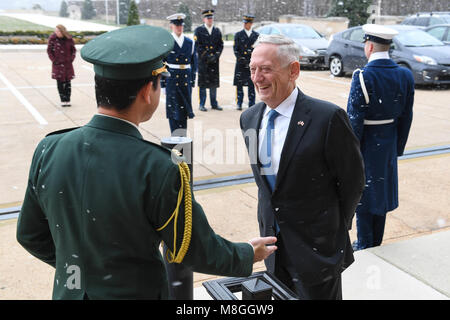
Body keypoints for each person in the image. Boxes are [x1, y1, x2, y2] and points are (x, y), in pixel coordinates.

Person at [16, 25, 277, 300]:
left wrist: (83, 272)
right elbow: (191, 249)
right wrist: (248, 253)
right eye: (159, 83)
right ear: (146, 92)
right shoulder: (159, 167)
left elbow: (30, 234)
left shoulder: (49, 148)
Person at [240, 34, 365, 300]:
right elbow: (268, 188)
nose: (256, 78)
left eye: (266, 69)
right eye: (252, 69)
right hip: (273, 248)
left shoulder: (327, 118)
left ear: (293, 71)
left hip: (317, 252)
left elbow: (352, 183)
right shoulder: (249, 118)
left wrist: (331, 231)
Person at [346, 24, 414, 251]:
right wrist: (397, 147)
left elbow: (354, 121)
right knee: (381, 194)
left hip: (366, 145)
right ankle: (377, 242)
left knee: (363, 195)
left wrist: (350, 152)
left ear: (370, 46)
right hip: (388, 142)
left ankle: (365, 244)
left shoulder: (363, 76)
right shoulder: (404, 74)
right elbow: (406, 117)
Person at [162, 13, 197, 136]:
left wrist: (193, 80)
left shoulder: (189, 42)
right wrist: (162, 84)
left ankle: (183, 136)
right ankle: (174, 136)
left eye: (181, 25)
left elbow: (194, 63)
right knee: (173, 110)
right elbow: (162, 64)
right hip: (171, 78)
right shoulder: (167, 42)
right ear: (171, 26)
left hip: (185, 79)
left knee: (184, 109)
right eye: (176, 25)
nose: (179, 28)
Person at [194, 9, 224, 111]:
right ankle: (202, 104)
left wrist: (216, 56)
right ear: (204, 19)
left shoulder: (217, 31)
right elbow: (198, 46)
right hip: (203, 62)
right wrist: (207, 56)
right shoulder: (199, 30)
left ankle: (214, 103)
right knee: (202, 84)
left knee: (213, 84)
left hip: (214, 62)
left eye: (211, 18)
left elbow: (220, 45)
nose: (210, 20)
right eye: (208, 18)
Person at [233, 14, 258, 111]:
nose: (245, 24)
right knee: (239, 85)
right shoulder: (238, 35)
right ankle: (239, 103)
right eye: (244, 23)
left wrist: (251, 61)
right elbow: (236, 50)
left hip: (251, 64)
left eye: (247, 23)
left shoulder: (256, 35)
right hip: (241, 64)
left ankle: (251, 104)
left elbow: (258, 50)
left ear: (251, 24)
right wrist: (242, 59)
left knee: (251, 85)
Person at [47, 24, 76, 107]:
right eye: (55, 31)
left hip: (67, 64)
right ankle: (63, 100)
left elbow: (73, 50)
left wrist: (71, 59)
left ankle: (68, 99)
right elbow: (49, 51)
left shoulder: (69, 39)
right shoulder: (53, 39)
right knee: (59, 82)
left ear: (62, 31)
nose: (56, 32)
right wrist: (54, 60)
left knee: (68, 82)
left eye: (58, 31)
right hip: (58, 64)